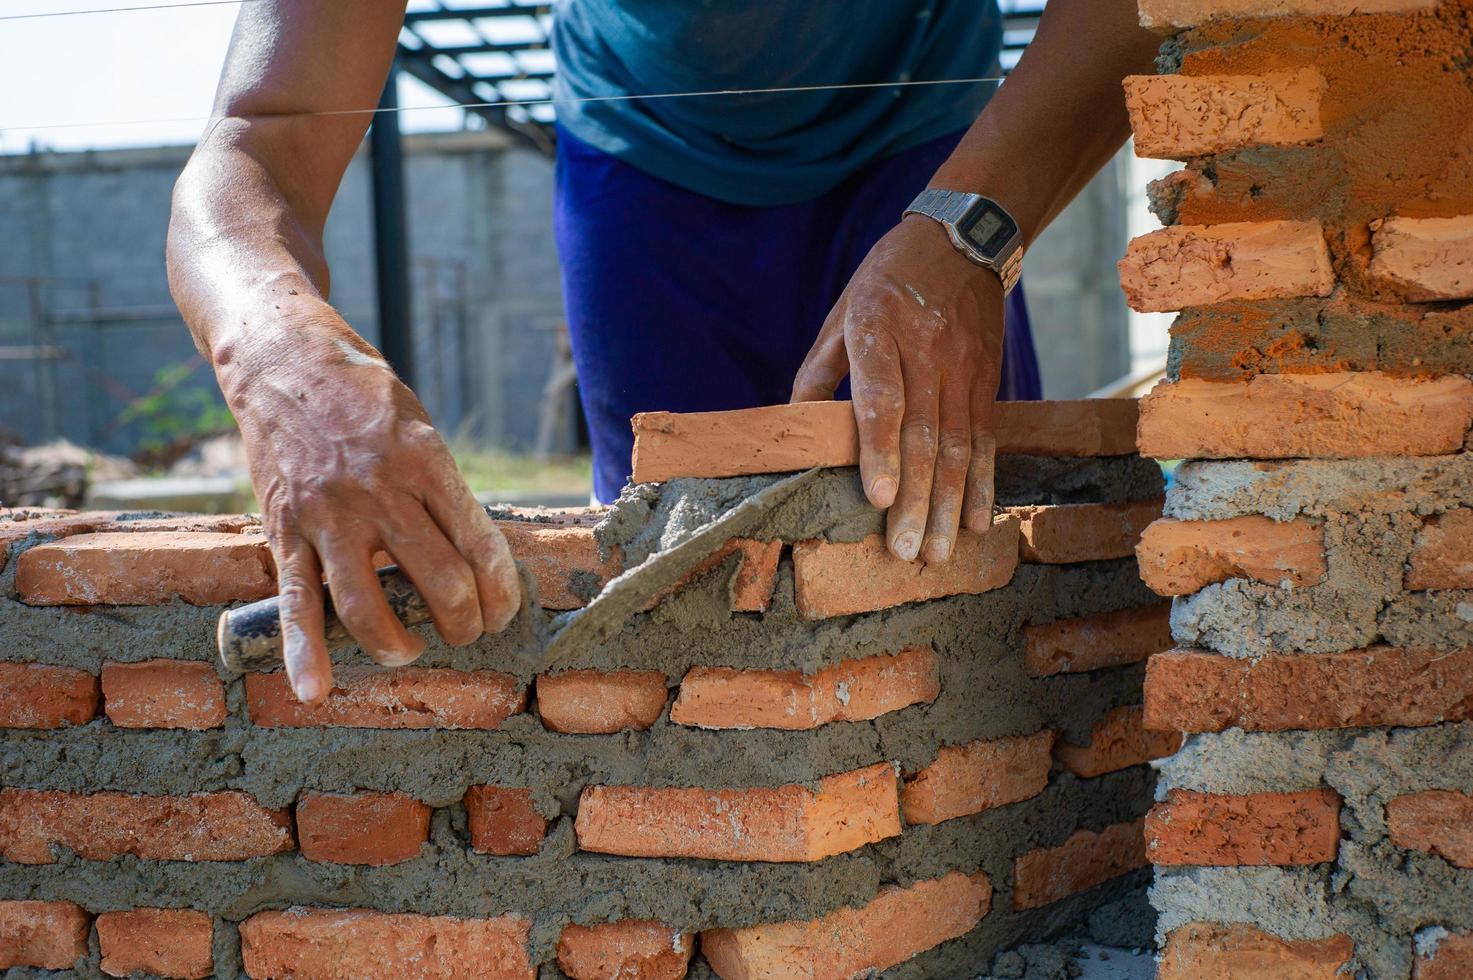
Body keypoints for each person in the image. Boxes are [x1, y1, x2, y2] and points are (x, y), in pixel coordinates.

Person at [167, 0, 1161, 705]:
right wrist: (276, 354)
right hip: (642, 159)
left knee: (961, 564)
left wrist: (971, 229)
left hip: (931, 145)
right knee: (680, 597)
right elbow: (264, 130)